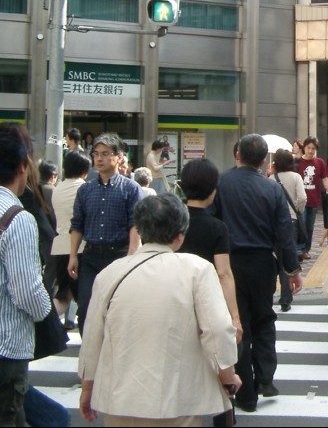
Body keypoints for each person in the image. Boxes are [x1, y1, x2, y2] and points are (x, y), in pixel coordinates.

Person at [78, 193, 241, 427]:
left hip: (119, 397)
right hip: (177, 397)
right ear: (180, 235)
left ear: (139, 230)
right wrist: (229, 376)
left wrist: (88, 387)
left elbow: (92, 337)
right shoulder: (197, 270)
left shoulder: (110, 273)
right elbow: (216, 331)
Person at [214, 134, 303, 412]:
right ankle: (266, 378)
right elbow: (284, 233)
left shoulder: (221, 183)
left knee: (238, 325)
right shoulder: (271, 189)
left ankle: (246, 393)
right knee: (264, 318)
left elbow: (215, 224)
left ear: (237, 154)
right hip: (264, 262)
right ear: (265, 160)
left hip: (228, 263)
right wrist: (292, 269)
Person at [0, 122, 52, 427]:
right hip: (0, 354)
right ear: (23, 166)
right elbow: (28, 294)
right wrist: (46, 309)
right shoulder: (17, 218)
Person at [68, 132, 143, 337]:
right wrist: (73, 255)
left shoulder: (131, 188)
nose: (99, 158)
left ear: (119, 157)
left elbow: (135, 223)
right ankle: (88, 355)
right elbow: (77, 224)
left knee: (117, 309)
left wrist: (131, 255)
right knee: (85, 309)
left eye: (105, 154)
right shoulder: (85, 190)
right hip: (91, 257)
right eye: (96, 154)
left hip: (118, 255)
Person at [178, 158, 243, 345]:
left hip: (174, 294)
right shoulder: (217, 228)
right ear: (213, 189)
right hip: (206, 297)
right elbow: (224, 273)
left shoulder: (172, 221)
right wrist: (235, 317)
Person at [49, 149, 91, 331]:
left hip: (59, 248)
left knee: (63, 296)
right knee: (85, 297)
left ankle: (43, 326)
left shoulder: (57, 189)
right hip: (81, 248)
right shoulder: (85, 189)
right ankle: (87, 335)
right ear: (84, 171)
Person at [268, 149, 307, 313]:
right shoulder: (296, 177)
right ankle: (285, 299)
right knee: (287, 258)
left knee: (272, 259)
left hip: (272, 223)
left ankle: (268, 296)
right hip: (290, 221)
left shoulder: (270, 178)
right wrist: (298, 211)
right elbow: (302, 197)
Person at [296, 137, 328, 260]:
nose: (310, 151)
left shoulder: (320, 162)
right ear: (304, 148)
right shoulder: (297, 162)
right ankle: (299, 249)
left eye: (313, 149)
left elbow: (325, 179)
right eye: (308, 148)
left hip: (314, 199)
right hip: (300, 201)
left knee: (310, 227)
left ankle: (306, 249)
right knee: (302, 225)